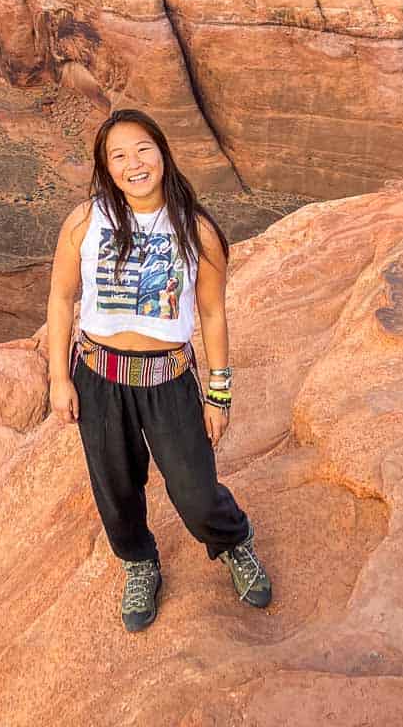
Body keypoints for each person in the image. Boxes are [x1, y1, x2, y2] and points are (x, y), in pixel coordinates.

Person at [46, 107, 272, 632]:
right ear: (106, 168)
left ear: (163, 153)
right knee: (116, 488)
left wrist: (219, 392)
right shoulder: (85, 222)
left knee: (194, 491)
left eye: (143, 149)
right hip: (99, 380)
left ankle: (232, 540)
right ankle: (139, 562)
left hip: (168, 382)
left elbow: (213, 312)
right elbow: (60, 299)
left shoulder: (196, 230)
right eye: (118, 155)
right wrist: (59, 377)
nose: (134, 163)